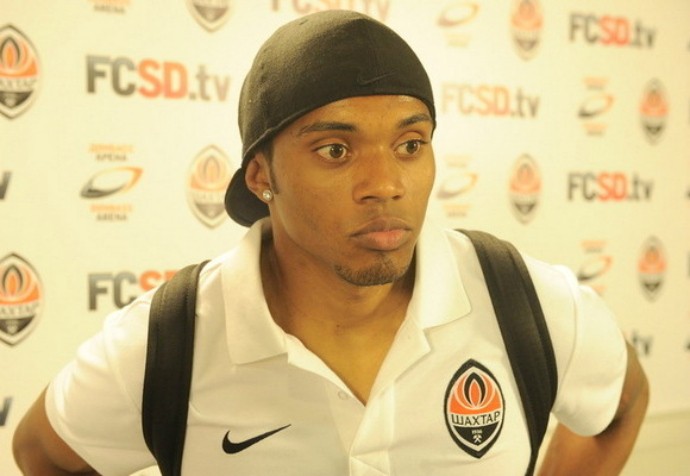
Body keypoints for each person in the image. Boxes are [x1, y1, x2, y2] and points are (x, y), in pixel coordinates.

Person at [13, 10, 648, 476]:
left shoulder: (527, 302)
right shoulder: (169, 339)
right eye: (336, 150)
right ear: (261, 177)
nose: (386, 184)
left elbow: (623, 404)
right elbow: (42, 453)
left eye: (410, 144)